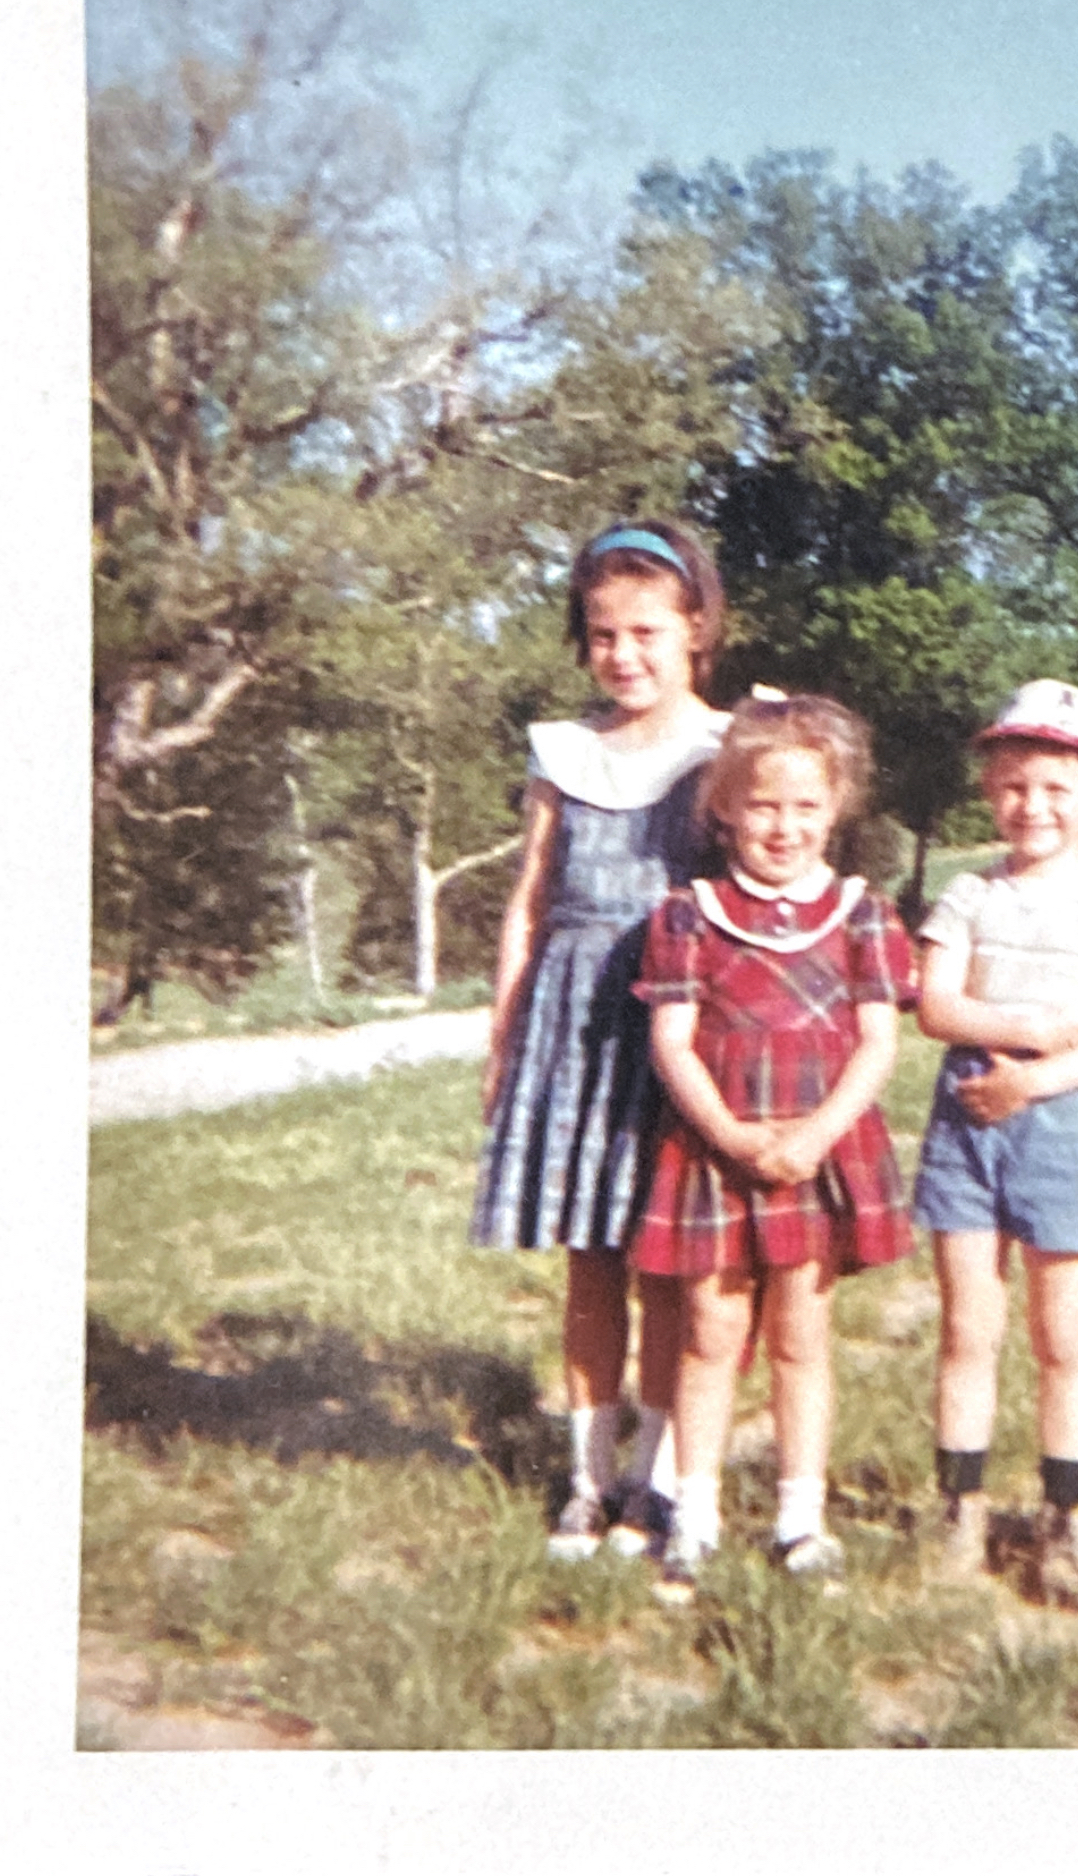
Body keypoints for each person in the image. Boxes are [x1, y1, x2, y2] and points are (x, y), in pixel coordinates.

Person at [470, 521, 729, 1561]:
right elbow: (528, 902)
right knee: (590, 1258)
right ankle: (587, 1474)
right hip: (573, 1019)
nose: (624, 654)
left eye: (647, 632)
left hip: (677, 1022)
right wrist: (503, 1032)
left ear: (696, 629)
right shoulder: (564, 754)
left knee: (664, 1257)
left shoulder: (727, 748)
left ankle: (656, 1476)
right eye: (602, 634)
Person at [630, 694, 917, 1593]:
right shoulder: (689, 914)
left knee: (802, 1336)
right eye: (762, 805)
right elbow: (672, 1041)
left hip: (821, 1151)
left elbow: (878, 1041)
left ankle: (801, 1520)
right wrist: (731, 1134)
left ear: (836, 809)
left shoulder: (863, 914)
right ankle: (695, 1515)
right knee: (710, 1335)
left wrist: (815, 1137)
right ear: (723, 809)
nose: (783, 827)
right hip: (716, 1153)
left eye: (804, 807)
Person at [912, 680, 1078, 1607]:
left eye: (1058, 786)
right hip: (970, 1116)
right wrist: (1018, 1031)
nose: (1034, 807)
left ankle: (1065, 1519)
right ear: (990, 791)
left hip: (1061, 1121)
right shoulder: (970, 893)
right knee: (969, 1327)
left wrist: (1036, 1077)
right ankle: (961, 1510)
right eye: (1015, 786)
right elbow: (937, 1004)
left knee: (1064, 1338)